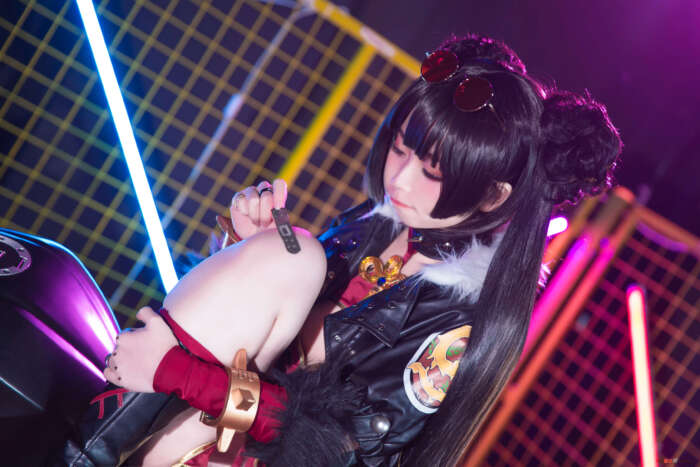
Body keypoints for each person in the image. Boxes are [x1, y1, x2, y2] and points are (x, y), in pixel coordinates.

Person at [64, 34, 622, 467]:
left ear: (493, 195)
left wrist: (176, 373)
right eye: (400, 148)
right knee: (294, 251)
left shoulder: (460, 323)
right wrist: (251, 243)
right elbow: (279, 315)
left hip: (261, 452)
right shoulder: (379, 224)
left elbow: (339, 445)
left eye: (431, 172)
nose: (398, 180)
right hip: (216, 423)